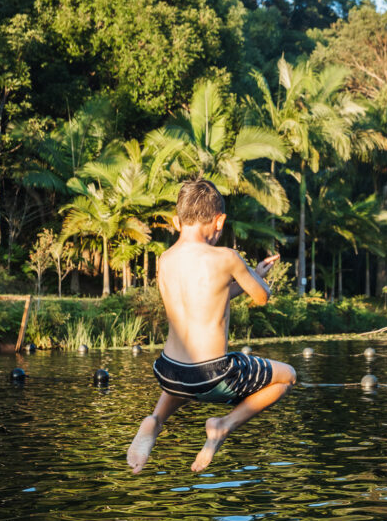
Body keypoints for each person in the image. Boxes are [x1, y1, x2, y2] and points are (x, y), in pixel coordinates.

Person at [126, 179, 296, 474]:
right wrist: (254, 277)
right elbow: (262, 296)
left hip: (168, 372)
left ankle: (154, 421)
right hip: (212, 373)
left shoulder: (165, 260)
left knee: (184, 379)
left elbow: (211, 297)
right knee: (288, 377)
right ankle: (222, 426)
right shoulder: (226, 257)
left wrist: (251, 273)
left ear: (178, 221)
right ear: (220, 220)